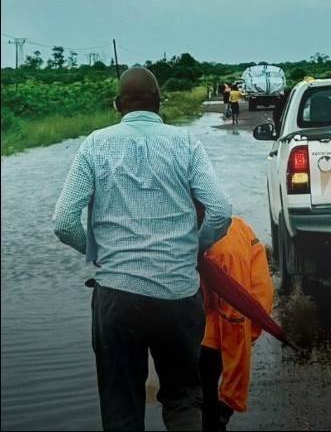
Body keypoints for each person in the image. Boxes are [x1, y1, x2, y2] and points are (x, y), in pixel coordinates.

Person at [52, 67, 232, 432]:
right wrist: (191, 249)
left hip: (117, 298)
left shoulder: (95, 144)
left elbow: (64, 222)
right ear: (160, 102)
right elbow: (220, 211)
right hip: (179, 296)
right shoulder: (185, 144)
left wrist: (99, 254)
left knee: (122, 409)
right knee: (183, 397)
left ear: (118, 105)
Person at [198, 215, 273, 432]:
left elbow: (237, 326)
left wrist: (229, 400)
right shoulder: (206, 235)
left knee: (207, 399)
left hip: (241, 312)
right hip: (209, 318)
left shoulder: (225, 249)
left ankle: (215, 417)